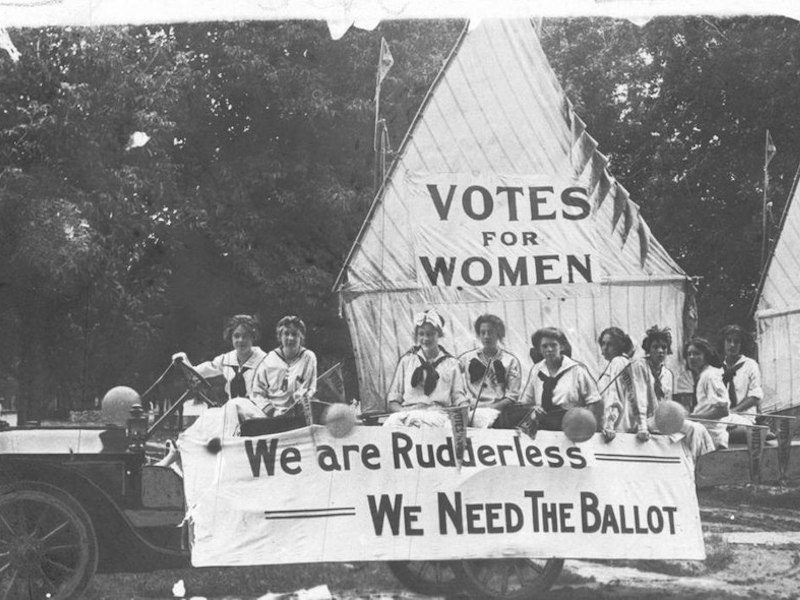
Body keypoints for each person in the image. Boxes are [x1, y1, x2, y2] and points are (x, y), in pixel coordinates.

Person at [634, 326, 714, 460]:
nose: (660, 351)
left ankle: (699, 463)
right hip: (643, 420)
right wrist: (642, 427)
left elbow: (667, 404)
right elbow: (639, 397)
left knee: (698, 428)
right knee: (693, 429)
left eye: (664, 347)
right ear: (649, 349)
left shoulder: (668, 374)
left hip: (660, 419)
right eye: (655, 347)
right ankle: (693, 464)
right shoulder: (640, 367)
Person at [384, 308, 468, 428]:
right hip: (409, 415)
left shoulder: (451, 364)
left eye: (430, 334)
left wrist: (464, 406)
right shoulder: (407, 361)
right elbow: (393, 400)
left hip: (438, 416)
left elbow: (459, 398)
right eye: (421, 334)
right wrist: (404, 413)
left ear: (439, 334)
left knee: (448, 429)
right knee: (391, 424)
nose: (426, 339)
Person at [520, 327, 602, 431]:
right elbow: (526, 402)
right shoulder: (537, 370)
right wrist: (533, 409)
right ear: (539, 350)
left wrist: (584, 425)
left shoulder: (577, 370)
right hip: (544, 429)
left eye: (553, 345)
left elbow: (594, 402)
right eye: (544, 346)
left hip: (571, 427)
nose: (549, 350)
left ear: (562, 346)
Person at [458, 314, 524, 429]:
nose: (486, 336)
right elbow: (450, 376)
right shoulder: (467, 358)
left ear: (498, 334)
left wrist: (492, 407)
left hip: (496, 411)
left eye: (491, 332)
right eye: (482, 332)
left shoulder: (510, 361)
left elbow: (512, 396)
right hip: (470, 409)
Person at [252, 315, 318, 417]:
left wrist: (301, 400)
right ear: (280, 336)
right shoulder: (270, 359)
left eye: (294, 334)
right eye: (286, 334)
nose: (290, 338)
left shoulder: (308, 357)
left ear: (301, 337)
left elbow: (310, 388)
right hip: (271, 415)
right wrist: (272, 411)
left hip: (298, 412)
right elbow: (257, 391)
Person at [194, 314, 268, 400]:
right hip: (233, 409)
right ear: (231, 337)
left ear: (253, 337)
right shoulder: (227, 359)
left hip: (257, 409)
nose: (241, 340)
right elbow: (200, 371)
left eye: (245, 336)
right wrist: (183, 361)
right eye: (236, 336)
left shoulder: (264, 361)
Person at [596, 327, 648, 441]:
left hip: (615, 430)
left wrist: (609, 425)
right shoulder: (622, 363)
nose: (605, 348)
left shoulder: (618, 362)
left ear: (619, 345)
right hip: (621, 428)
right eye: (603, 344)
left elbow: (615, 395)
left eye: (610, 344)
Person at [685, 337, 730, 449]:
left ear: (706, 356)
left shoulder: (710, 376)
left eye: (697, 354)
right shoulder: (703, 375)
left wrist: (693, 417)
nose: (692, 357)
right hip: (703, 429)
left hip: (710, 434)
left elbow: (723, 411)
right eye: (689, 354)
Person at [718, 325, 763, 433]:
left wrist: (733, 411)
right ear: (723, 342)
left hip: (744, 419)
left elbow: (755, 397)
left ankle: (756, 432)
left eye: (736, 342)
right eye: (729, 341)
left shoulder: (750, 365)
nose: (732, 345)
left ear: (741, 344)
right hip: (722, 419)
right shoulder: (718, 369)